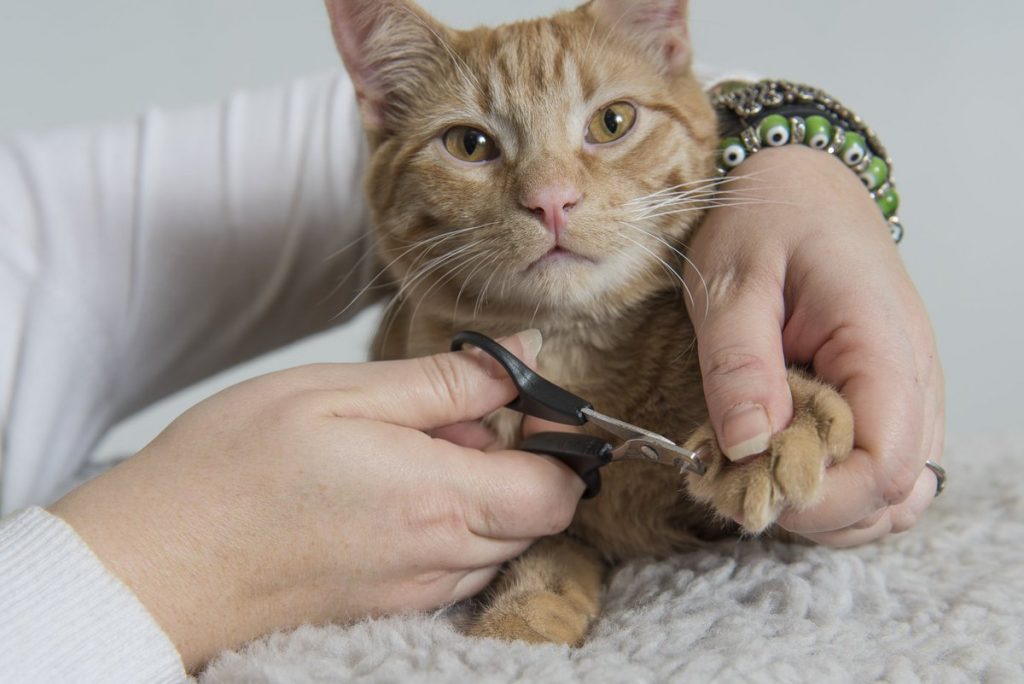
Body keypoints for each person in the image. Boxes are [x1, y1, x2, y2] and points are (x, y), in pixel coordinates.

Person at [0, 66, 944, 679]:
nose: (550, 195)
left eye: (602, 130)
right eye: (479, 152)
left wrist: (801, 165)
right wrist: (164, 560)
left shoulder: (47, 226)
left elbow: (597, 80)